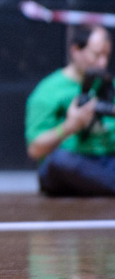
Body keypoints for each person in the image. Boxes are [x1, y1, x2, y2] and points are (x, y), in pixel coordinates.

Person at [25, 24, 115, 196]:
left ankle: (101, 184)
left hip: (108, 159)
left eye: (107, 55)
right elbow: (35, 149)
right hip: (73, 162)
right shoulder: (49, 91)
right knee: (59, 162)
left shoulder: (109, 85)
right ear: (75, 51)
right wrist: (70, 126)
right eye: (96, 55)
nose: (103, 62)